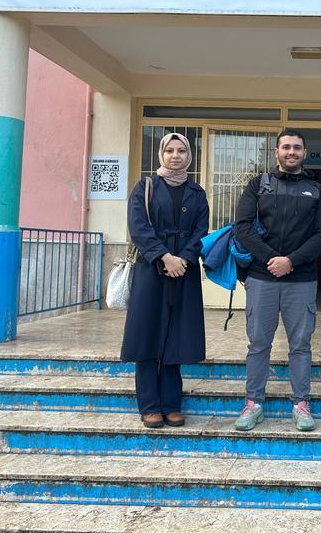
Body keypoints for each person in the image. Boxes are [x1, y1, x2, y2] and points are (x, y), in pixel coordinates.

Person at [233, 129, 321, 432]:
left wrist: (291, 261)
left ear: (304, 153)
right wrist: (271, 259)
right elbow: (242, 226)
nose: (291, 152)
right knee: (258, 343)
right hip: (261, 277)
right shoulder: (258, 185)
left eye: (297, 147)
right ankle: (253, 403)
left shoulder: (317, 190)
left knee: (300, 344)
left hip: (301, 279)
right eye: (286, 147)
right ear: (276, 152)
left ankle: (301, 404)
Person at [120, 132, 210, 429]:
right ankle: (149, 405)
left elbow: (201, 230)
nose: (175, 156)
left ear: (189, 156)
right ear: (161, 154)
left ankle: (171, 404)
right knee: (148, 335)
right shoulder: (145, 187)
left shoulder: (197, 192)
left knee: (177, 338)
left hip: (184, 271)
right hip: (151, 271)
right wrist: (163, 257)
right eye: (170, 150)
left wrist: (183, 258)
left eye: (181, 151)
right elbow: (138, 226)